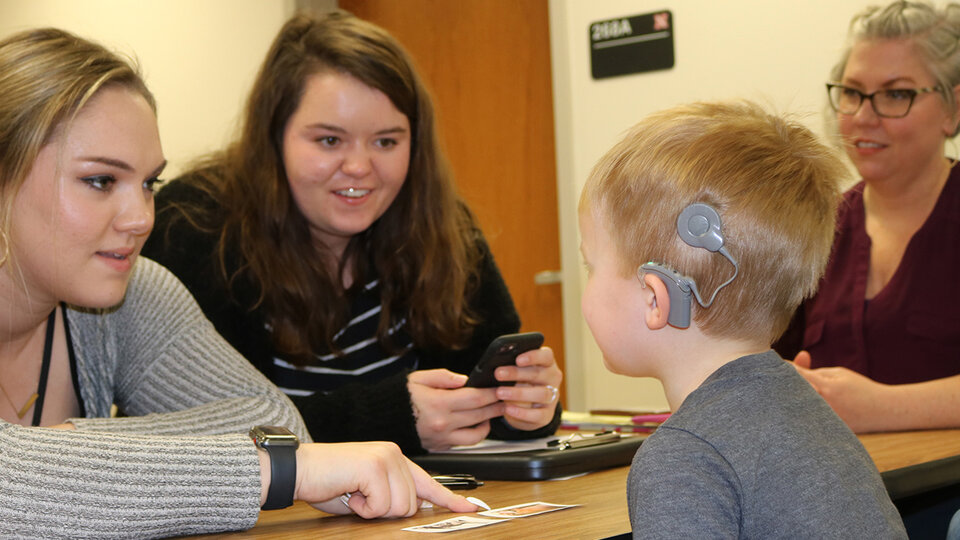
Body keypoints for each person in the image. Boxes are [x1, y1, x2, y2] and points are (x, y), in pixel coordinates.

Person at [0, 27, 478, 538]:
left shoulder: (134, 290)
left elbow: (273, 420)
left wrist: (59, 451)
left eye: (148, 184)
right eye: (100, 181)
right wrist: (274, 471)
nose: (141, 218)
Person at [142, 10, 562, 455]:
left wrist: (527, 405)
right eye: (329, 141)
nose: (360, 168)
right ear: (273, 137)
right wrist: (391, 417)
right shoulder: (191, 227)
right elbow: (189, 437)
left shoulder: (443, 227)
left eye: (386, 142)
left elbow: (484, 399)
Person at [578, 101, 906, 537]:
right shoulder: (809, 413)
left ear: (656, 299)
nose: (587, 283)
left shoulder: (685, 457)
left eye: (590, 266)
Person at [774, 0, 960, 433]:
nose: (863, 117)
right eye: (853, 93)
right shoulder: (812, 227)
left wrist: (886, 407)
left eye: (896, 94)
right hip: (834, 492)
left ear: (952, 109)